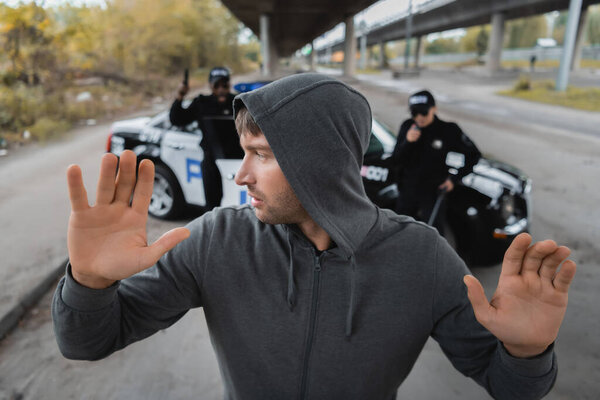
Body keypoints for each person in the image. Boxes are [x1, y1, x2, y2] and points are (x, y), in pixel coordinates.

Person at [53, 74, 576, 399]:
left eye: (261, 154)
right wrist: (89, 283)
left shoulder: (423, 258)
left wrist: (528, 351)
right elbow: (87, 342)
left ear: (319, 164)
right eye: (244, 153)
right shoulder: (216, 240)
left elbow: (508, 385)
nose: (240, 176)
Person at [389, 90, 481, 235]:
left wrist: (454, 179)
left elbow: (473, 155)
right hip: (408, 191)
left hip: (433, 192)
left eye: (424, 112)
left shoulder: (448, 130)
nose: (419, 117)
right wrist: (408, 142)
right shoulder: (408, 127)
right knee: (400, 234)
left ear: (434, 109)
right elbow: (395, 160)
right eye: (414, 113)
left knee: (433, 235)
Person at [169, 66, 238, 210]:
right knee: (213, 206)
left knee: (239, 204)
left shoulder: (237, 103)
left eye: (224, 84)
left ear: (229, 84)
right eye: (216, 85)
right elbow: (177, 119)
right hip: (211, 162)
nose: (221, 88)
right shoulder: (201, 103)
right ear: (210, 85)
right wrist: (180, 95)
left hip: (237, 162)